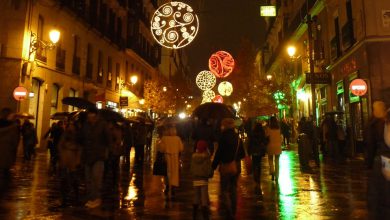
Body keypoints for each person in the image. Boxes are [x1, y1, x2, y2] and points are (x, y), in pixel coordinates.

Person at [212, 118, 245, 219]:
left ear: (224, 126)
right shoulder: (237, 138)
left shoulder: (223, 137)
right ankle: (234, 209)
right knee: (233, 188)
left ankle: (229, 211)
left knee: (225, 189)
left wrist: (213, 166)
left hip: (225, 166)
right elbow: (242, 153)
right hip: (235, 166)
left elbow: (219, 153)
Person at [80, 108, 111, 208]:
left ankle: (97, 198)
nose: (90, 118)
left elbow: (108, 139)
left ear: (96, 116)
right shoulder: (85, 125)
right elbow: (81, 139)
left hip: (98, 156)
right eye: (89, 116)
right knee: (88, 179)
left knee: (96, 178)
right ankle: (91, 198)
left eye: (92, 116)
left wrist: (105, 151)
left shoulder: (102, 125)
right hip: (87, 155)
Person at [365, 101, 390, 218]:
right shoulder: (380, 123)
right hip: (383, 159)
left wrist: (369, 162)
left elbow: (370, 145)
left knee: (380, 190)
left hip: (381, 158)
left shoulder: (374, 124)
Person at [58, 120, 82, 207]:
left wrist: (78, 160)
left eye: (72, 125)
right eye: (69, 125)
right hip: (65, 159)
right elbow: (60, 146)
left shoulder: (77, 136)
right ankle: (64, 198)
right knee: (63, 179)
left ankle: (76, 196)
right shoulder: (65, 135)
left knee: (74, 178)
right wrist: (61, 155)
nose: (70, 127)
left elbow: (79, 149)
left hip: (73, 159)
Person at [158, 125, 184, 199]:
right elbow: (181, 148)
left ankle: (167, 186)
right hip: (175, 157)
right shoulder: (177, 138)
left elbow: (161, 149)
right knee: (174, 172)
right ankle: (173, 187)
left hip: (167, 157)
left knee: (167, 172)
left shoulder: (164, 138)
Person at [190, 140, 213, 220]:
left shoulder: (193, 157)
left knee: (196, 196)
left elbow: (191, 168)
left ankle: (194, 215)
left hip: (196, 179)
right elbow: (209, 169)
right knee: (204, 197)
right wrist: (209, 175)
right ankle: (205, 216)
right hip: (203, 179)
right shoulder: (206, 157)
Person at [248, 121, 267, 195]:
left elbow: (250, 143)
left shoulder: (252, 133)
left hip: (253, 151)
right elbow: (264, 142)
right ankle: (258, 179)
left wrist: (249, 151)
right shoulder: (262, 133)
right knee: (259, 165)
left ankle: (255, 178)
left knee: (254, 163)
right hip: (259, 151)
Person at [0, 108, 20, 176]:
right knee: (6, 175)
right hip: (7, 153)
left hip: (6, 152)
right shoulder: (13, 127)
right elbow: (14, 142)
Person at [265, 116, 282, 182]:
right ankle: (277, 176)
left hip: (270, 146)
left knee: (270, 159)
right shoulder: (278, 129)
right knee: (277, 162)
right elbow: (281, 138)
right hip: (278, 147)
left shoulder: (268, 129)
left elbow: (266, 137)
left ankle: (272, 172)